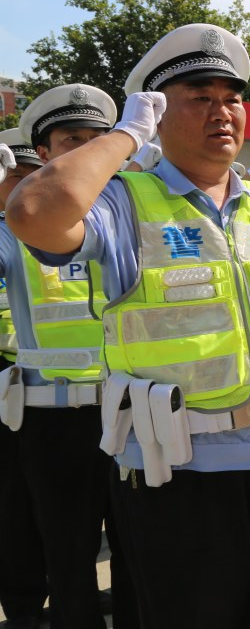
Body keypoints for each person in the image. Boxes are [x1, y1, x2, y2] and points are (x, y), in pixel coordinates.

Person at [6, 25, 250, 628]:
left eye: (231, 97)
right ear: (157, 110)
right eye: (198, 97)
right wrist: (125, 136)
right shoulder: (127, 201)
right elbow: (31, 212)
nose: (221, 112)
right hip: (181, 478)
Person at [0, 84, 138, 629]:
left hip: (132, 412)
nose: (85, 150)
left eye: (96, 140)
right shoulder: (16, 230)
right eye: (70, 140)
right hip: (53, 418)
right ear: (47, 156)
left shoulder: (133, 219)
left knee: (136, 544)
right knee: (69, 551)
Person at [0, 130, 49, 629]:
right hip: (8, 383)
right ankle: (24, 604)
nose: (29, 184)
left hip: (57, 381)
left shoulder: (65, 228)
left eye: (38, 174)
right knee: (15, 503)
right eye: (17, 175)